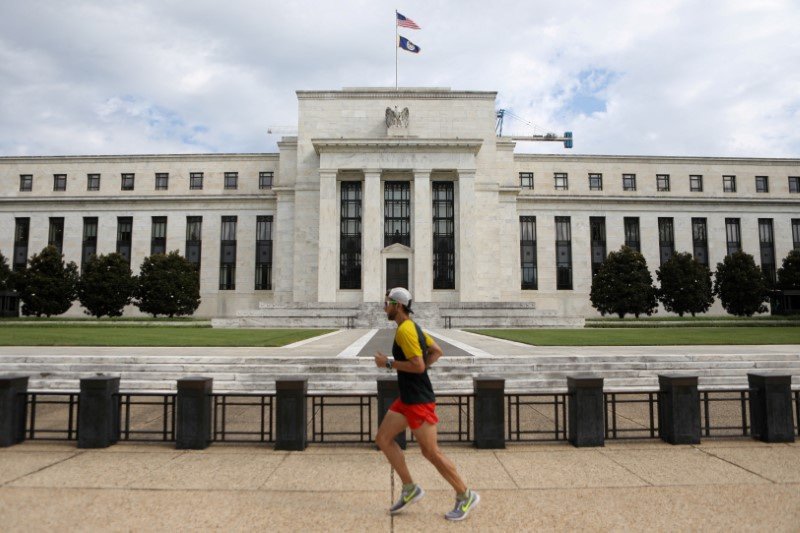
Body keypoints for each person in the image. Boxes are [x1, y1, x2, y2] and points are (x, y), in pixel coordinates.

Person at [374, 287, 480, 521]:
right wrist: (416, 373)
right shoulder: (412, 328)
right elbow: (436, 351)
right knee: (382, 439)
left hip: (418, 401)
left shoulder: (406, 331)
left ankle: (465, 494)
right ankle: (410, 488)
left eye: (387, 303)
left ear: (398, 306)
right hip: (407, 398)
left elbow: (419, 365)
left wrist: (389, 364)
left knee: (431, 452)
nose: (384, 308)